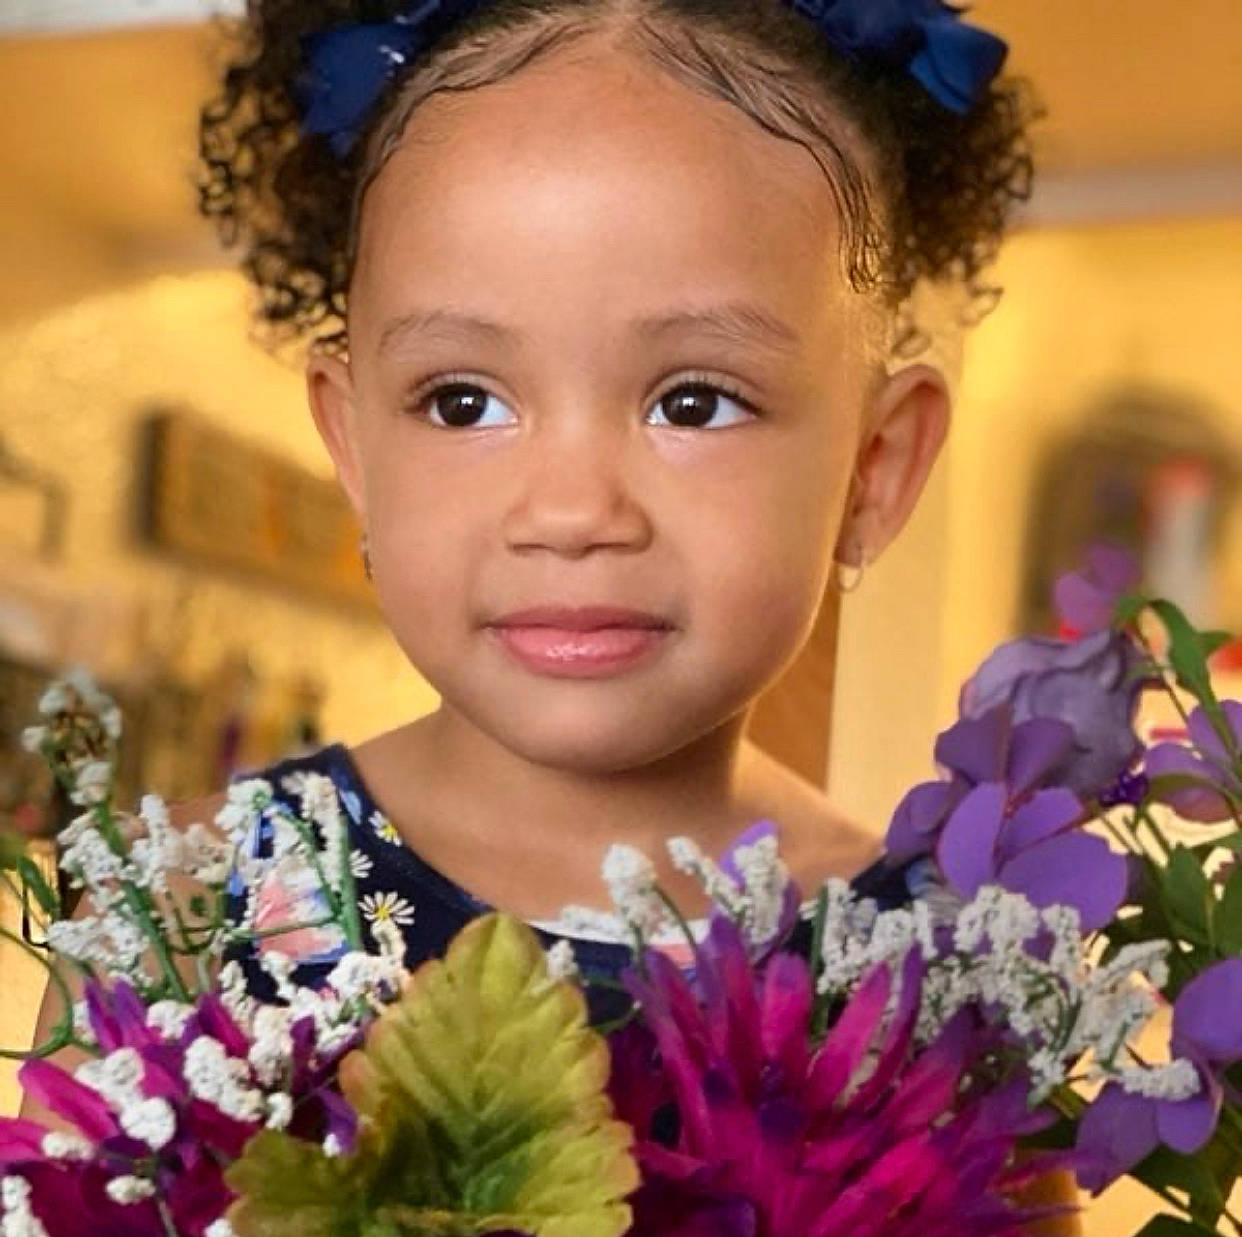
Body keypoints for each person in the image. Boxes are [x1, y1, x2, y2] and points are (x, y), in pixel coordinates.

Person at [29, 1, 1077, 1227]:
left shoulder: (952, 982)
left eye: (694, 402)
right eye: (462, 401)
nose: (573, 511)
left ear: (873, 470)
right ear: (353, 444)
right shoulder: (179, 908)